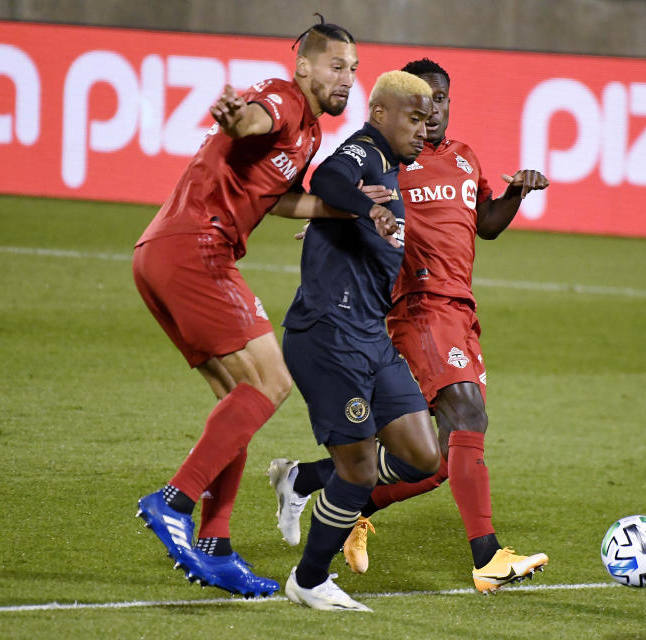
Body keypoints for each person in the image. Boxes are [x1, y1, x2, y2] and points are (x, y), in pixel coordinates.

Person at [132, 17, 396, 599]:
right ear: (303, 66)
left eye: (353, 69)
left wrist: (346, 210)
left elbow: (277, 197)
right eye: (335, 66)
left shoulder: (309, 135)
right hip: (196, 250)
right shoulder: (281, 98)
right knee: (272, 382)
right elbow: (254, 119)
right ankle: (174, 500)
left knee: (240, 400)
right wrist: (235, 118)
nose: (347, 79)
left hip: (163, 252)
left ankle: (216, 543)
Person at [272, 58, 550, 594]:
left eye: (442, 100)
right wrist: (332, 223)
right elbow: (344, 192)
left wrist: (516, 192)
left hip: (460, 310)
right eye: (424, 103)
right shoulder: (392, 162)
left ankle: (313, 484)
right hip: (419, 307)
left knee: (435, 458)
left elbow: (485, 224)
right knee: (467, 413)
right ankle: (487, 557)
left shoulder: (465, 160)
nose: (434, 112)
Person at [271, 70, 438, 612]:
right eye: (414, 117)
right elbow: (327, 180)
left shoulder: (389, 170)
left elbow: (346, 212)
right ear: (381, 113)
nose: (424, 127)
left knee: (420, 455)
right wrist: (370, 210)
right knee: (361, 470)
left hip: (369, 336)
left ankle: (304, 478)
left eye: (428, 117)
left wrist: (362, 220)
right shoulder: (366, 150)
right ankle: (310, 579)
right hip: (328, 334)